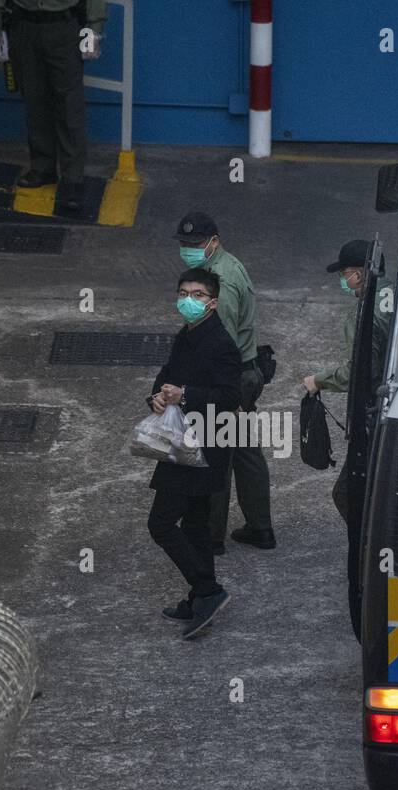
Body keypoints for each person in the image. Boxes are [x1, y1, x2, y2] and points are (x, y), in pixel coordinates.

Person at [147, 269, 242, 640]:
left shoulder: (221, 344)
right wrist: (156, 397)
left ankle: (208, 590)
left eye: (198, 294)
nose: (189, 299)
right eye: (184, 292)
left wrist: (184, 395)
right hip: (183, 439)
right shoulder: (187, 334)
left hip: (201, 447)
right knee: (195, 525)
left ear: (213, 302)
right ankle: (199, 597)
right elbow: (167, 375)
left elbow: (229, 397)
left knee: (161, 523)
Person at [173, 211, 275, 553]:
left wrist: (208, 390)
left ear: (213, 242)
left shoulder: (223, 281)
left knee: (215, 455)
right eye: (184, 243)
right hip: (243, 373)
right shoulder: (223, 266)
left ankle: (209, 535)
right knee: (244, 452)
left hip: (230, 377)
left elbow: (222, 342)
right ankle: (260, 528)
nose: (188, 248)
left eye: (195, 243)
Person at [302, 239, 396, 520]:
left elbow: (360, 372)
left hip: (379, 410)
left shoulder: (363, 313)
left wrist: (319, 380)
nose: (343, 281)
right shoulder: (397, 292)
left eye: (344, 275)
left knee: (346, 494)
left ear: (357, 274)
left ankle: (374, 540)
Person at [0, 0, 106, 213]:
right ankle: (43, 167)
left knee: (70, 105)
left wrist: (94, 31)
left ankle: (72, 179)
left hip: (65, 26)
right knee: (34, 100)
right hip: (22, 26)